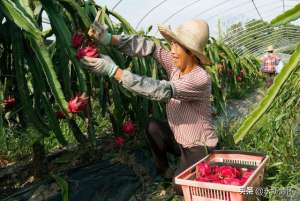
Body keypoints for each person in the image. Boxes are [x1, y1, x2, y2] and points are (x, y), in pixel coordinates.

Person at [80, 19, 218, 192]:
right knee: (153, 127)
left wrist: (114, 71)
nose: (172, 51)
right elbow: (150, 47)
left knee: (180, 187)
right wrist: (109, 39)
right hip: (179, 138)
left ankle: (186, 174)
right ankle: (166, 171)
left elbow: (161, 90)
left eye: (177, 46)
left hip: (198, 146)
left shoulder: (200, 78)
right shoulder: (176, 65)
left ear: (190, 52)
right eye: (172, 44)